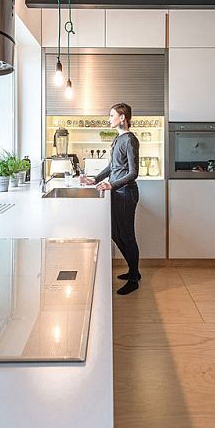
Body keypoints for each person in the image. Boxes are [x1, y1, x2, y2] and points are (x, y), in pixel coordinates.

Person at [81, 103, 141, 295]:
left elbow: (133, 173)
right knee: (116, 233)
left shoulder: (130, 140)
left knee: (127, 236)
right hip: (117, 193)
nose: (109, 119)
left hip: (126, 193)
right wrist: (95, 179)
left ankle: (134, 278)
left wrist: (111, 185)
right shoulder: (118, 138)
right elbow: (112, 167)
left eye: (112, 115)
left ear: (122, 118)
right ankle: (134, 270)